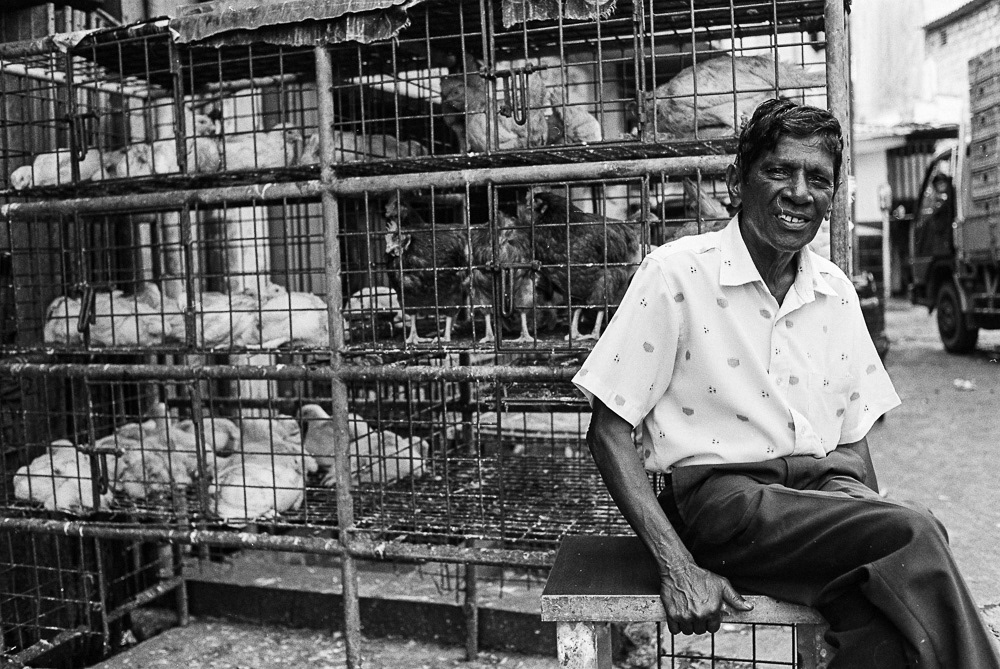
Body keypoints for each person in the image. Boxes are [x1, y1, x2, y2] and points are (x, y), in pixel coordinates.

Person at [573, 98, 1000, 668]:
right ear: (736, 182)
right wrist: (678, 566)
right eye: (780, 171)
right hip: (728, 502)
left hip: (821, 496)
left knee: (884, 607)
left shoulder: (835, 290)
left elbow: (853, 437)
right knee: (914, 534)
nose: (800, 192)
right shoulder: (677, 273)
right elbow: (608, 432)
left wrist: (863, 514)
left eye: (818, 179)